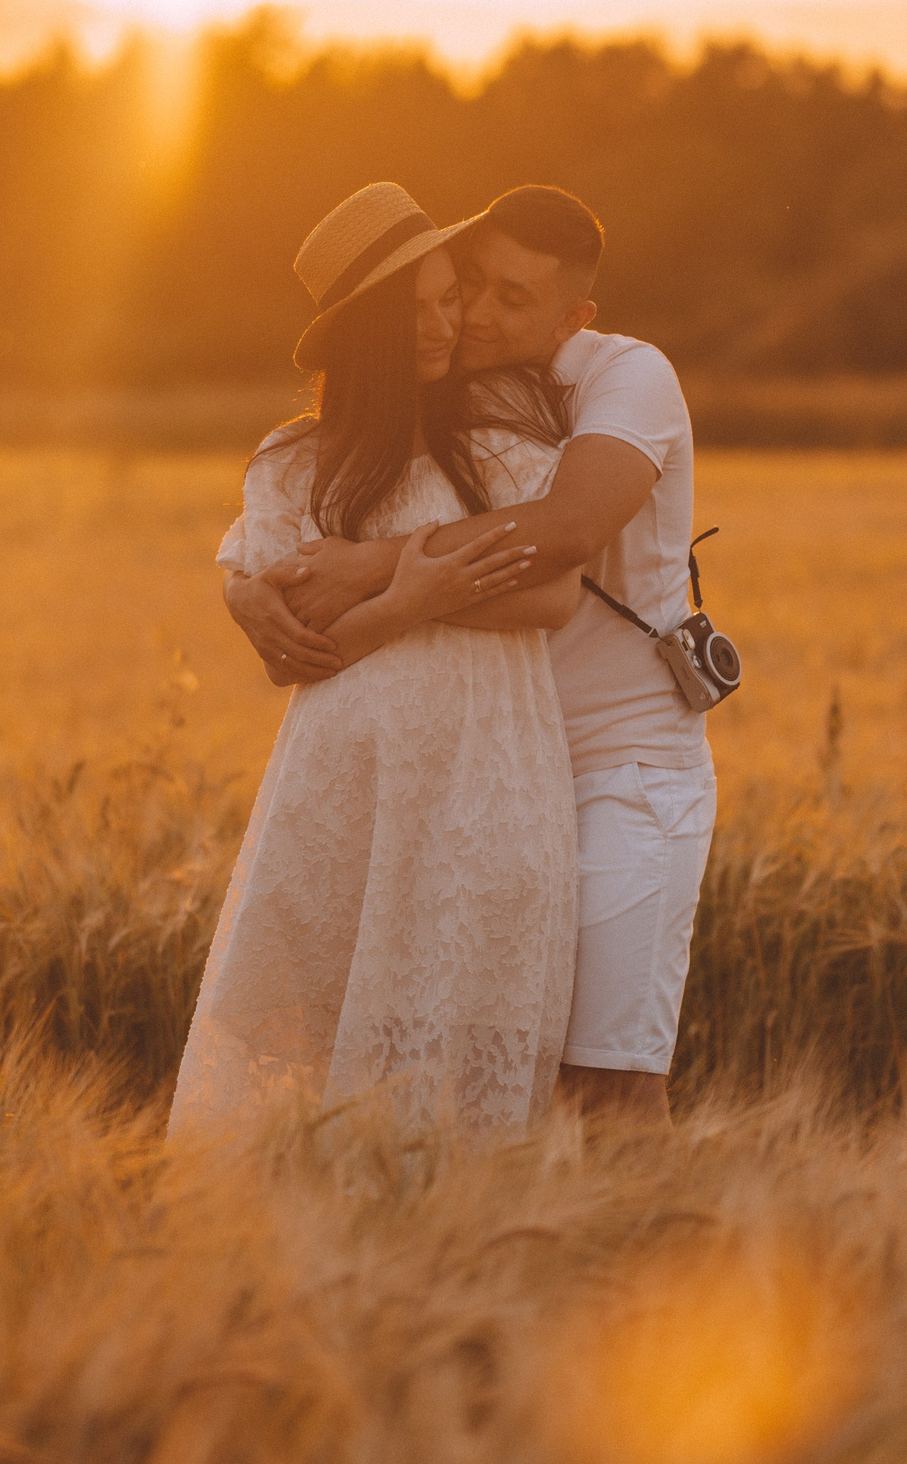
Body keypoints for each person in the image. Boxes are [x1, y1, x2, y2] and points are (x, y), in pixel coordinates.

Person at [226, 186, 715, 1127]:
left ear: (575, 317)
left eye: (510, 299)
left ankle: (668, 1273)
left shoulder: (628, 377)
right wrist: (239, 581)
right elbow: (316, 480)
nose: (476, 315)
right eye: (468, 287)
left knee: (607, 1083)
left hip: (622, 772)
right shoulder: (470, 388)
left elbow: (567, 533)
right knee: (481, 1084)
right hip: (489, 787)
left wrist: (377, 573)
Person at [169, 183, 586, 1136]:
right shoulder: (290, 464)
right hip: (342, 793)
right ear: (366, 327)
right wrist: (416, 596)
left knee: (456, 1072)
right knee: (318, 1085)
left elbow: (555, 594)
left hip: (483, 785)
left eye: (454, 297)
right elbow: (291, 653)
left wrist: (391, 596)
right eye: (423, 306)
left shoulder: (503, 441)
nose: (450, 324)